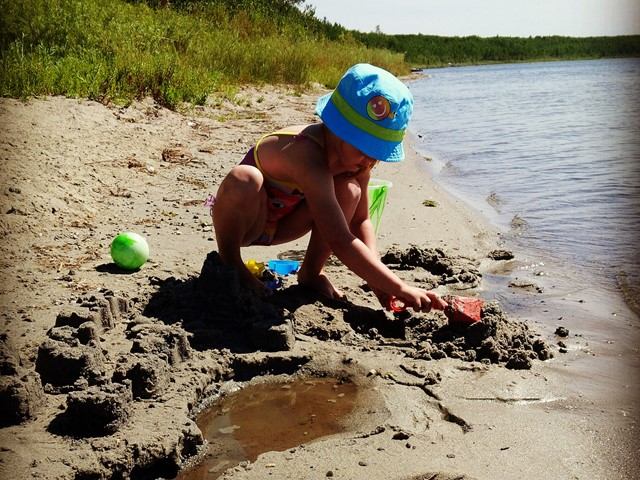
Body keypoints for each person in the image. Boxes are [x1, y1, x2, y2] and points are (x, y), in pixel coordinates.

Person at [211, 63, 447, 313]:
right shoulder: (306, 155)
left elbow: (360, 221)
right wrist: (399, 287)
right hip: (248, 220)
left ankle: (311, 273)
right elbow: (340, 238)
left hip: (283, 224)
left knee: (350, 191)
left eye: (377, 153)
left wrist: (379, 281)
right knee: (244, 178)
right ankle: (231, 262)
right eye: (364, 148)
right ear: (337, 130)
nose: (369, 161)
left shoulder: (357, 164)